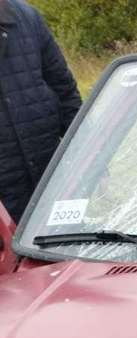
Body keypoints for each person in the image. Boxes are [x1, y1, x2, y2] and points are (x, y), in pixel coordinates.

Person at [0, 0, 81, 223]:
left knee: (64, 249)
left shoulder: (27, 17)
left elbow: (64, 89)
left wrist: (90, 160)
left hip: (51, 175)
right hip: (5, 198)